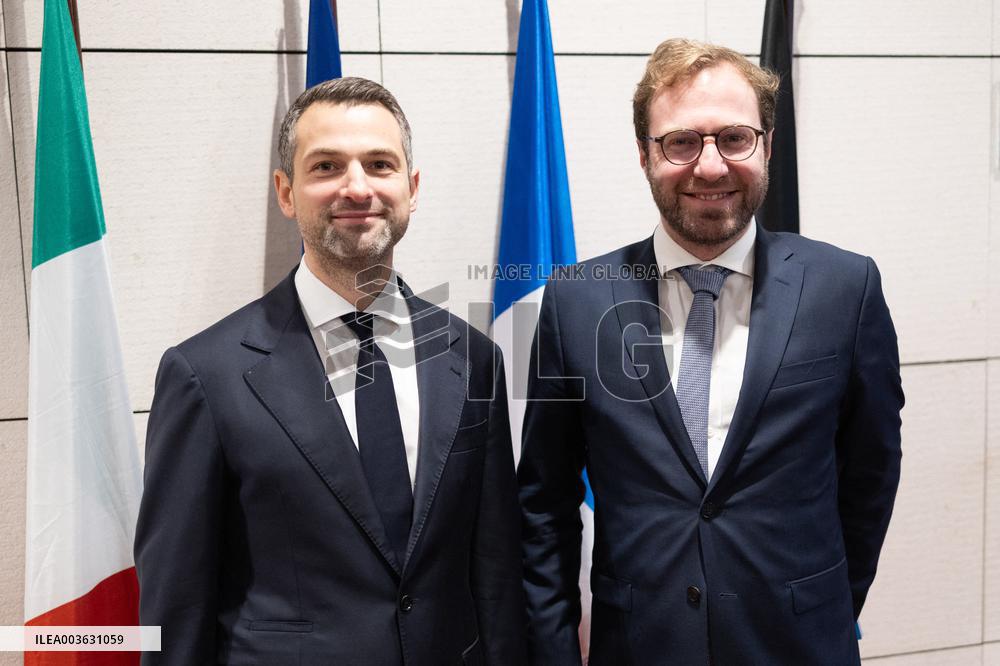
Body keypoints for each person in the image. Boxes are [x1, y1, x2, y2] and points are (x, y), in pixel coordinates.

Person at [518, 39, 903, 665]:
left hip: (799, 646)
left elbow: (870, 477)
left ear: (768, 145)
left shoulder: (846, 289)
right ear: (644, 155)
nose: (711, 166)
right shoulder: (575, 301)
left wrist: (820, 604)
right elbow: (544, 505)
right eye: (680, 142)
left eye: (734, 138)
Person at [135, 77, 525, 665]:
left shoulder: (472, 358)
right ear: (286, 192)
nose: (357, 187)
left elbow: (495, 577)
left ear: (412, 189)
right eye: (326, 166)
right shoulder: (205, 375)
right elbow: (177, 609)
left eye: (380, 164)